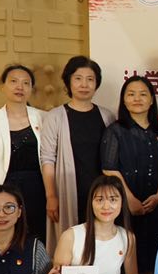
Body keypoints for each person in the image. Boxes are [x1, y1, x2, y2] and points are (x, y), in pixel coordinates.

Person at [100, 75, 158, 274]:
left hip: (155, 204)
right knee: (126, 258)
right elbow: (110, 169)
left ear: (151, 99)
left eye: (143, 94)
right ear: (123, 100)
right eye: (131, 94)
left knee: (151, 258)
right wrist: (129, 199)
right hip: (125, 205)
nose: (137, 99)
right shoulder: (116, 131)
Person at [41, 56, 115, 255]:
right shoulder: (55, 116)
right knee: (71, 244)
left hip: (101, 192)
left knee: (101, 242)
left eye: (90, 79)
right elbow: (47, 158)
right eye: (78, 78)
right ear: (68, 82)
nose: (84, 84)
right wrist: (51, 196)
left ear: (96, 83)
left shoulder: (107, 116)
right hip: (68, 191)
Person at [0, 65, 47, 241]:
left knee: (37, 234)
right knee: (6, 237)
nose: (20, 87)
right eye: (13, 81)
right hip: (3, 187)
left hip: (37, 188)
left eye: (26, 83)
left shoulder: (44, 117)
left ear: (31, 88)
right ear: (3, 86)